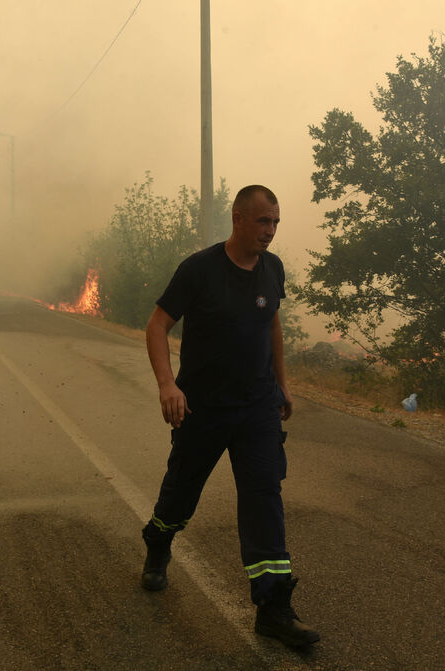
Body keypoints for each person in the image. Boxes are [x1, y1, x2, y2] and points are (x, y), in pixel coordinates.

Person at [140, 184, 319, 648]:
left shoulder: (272, 269)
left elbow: (272, 323)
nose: (271, 231)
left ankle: (273, 606)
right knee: (181, 494)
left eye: (276, 222)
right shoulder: (199, 270)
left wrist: (282, 384)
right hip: (203, 408)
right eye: (263, 221)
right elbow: (158, 324)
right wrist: (167, 384)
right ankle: (159, 539)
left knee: (264, 498)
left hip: (257, 407)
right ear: (238, 218)